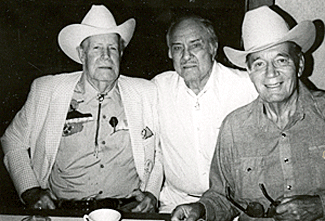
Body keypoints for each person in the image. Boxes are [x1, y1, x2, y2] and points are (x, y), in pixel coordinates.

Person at [1, 5, 162, 213]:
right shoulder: (48, 90)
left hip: (128, 211)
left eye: (112, 48)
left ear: (121, 53)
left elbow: (160, 149)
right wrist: (30, 190)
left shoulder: (145, 92)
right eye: (96, 48)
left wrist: (152, 192)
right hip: (65, 212)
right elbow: (12, 139)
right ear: (81, 54)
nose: (106, 56)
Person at [171, 5, 325, 221]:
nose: (271, 73)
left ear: (299, 64)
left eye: (281, 60)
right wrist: (200, 210)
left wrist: (320, 206)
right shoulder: (234, 127)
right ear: (250, 73)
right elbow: (223, 197)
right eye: (259, 64)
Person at [152, 15, 258, 213]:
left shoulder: (246, 87)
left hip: (233, 206)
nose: (186, 56)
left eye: (195, 45)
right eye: (177, 48)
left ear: (213, 47)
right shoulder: (158, 89)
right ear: (169, 53)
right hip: (175, 204)